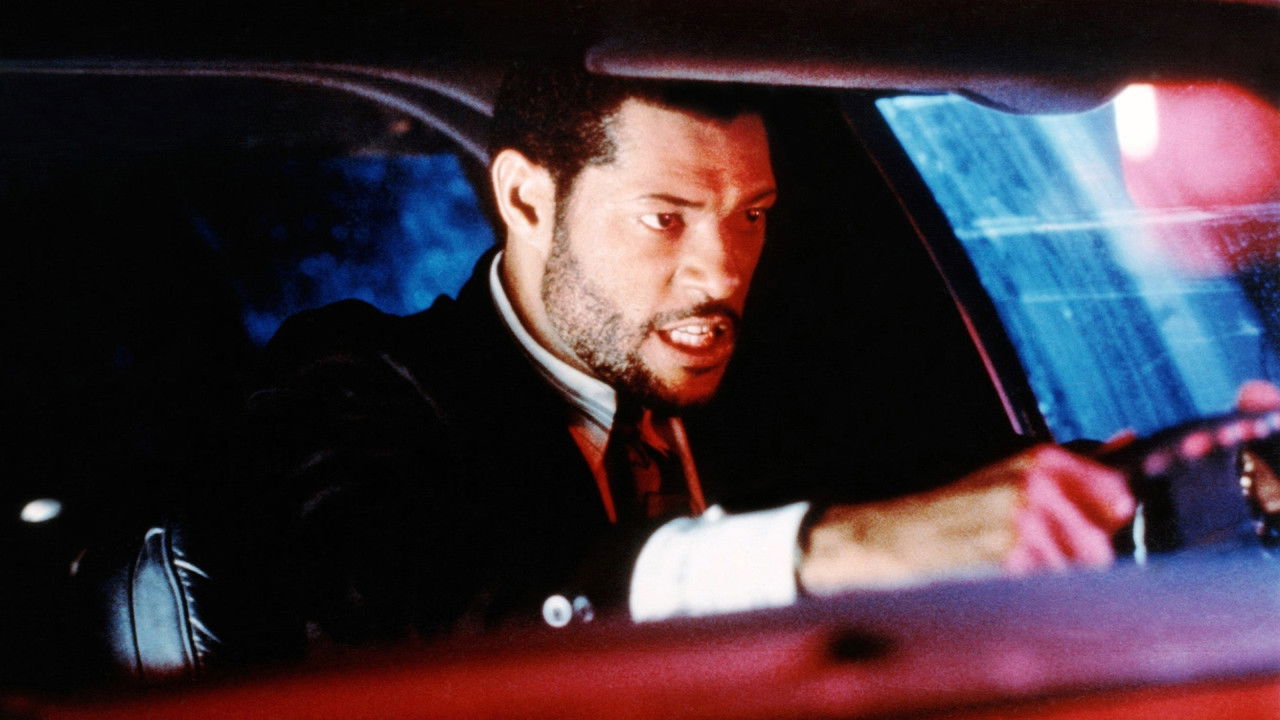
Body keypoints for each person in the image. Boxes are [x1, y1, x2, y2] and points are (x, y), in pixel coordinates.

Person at [241, 62, 1144, 644]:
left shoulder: (789, 372)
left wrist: (1151, 493)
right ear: (526, 202)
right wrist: (828, 552)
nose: (724, 271)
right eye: (664, 218)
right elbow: (401, 602)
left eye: (752, 214)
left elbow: (968, 491)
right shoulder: (359, 381)